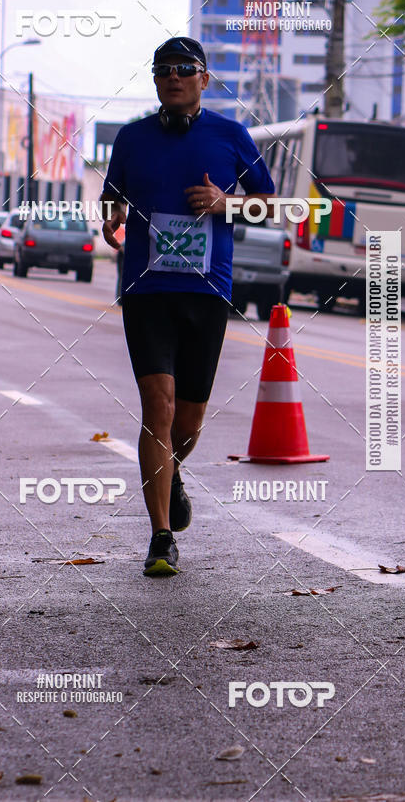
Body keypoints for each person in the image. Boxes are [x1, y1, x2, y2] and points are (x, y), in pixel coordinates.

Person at [100, 37, 275, 577]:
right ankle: (160, 537)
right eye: (162, 70)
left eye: (184, 69)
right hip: (146, 291)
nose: (172, 77)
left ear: (204, 78)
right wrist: (111, 216)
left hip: (207, 291)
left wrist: (228, 203)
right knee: (159, 403)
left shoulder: (232, 135)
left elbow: (270, 205)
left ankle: (171, 469)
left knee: (190, 420)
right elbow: (112, 195)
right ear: (154, 81)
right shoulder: (131, 138)